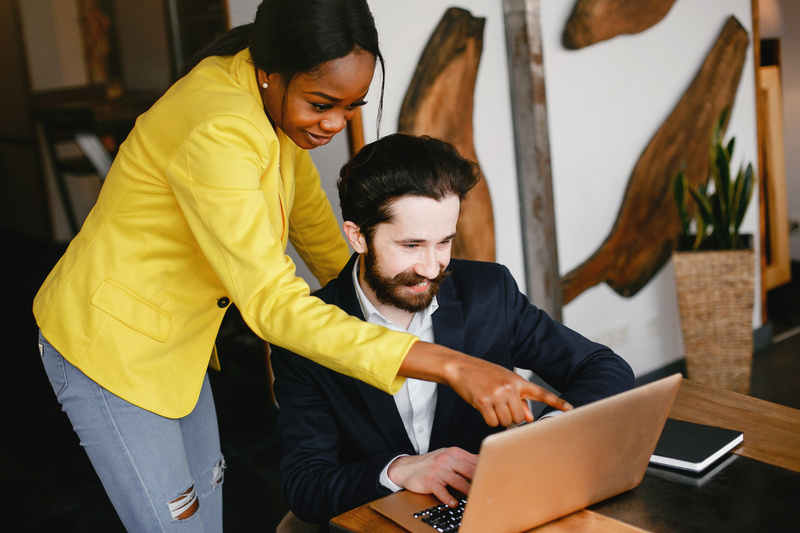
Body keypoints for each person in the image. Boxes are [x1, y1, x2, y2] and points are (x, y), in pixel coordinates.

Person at [33, 2, 569, 531]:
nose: (334, 123)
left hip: (177, 342)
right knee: (175, 524)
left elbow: (312, 220)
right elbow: (272, 305)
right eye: (321, 103)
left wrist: (388, 294)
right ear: (271, 75)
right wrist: (448, 362)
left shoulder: (267, 97)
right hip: (111, 346)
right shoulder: (219, 127)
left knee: (204, 510)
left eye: (352, 106)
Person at [270, 133, 636, 526]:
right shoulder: (305, 332)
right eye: (411, 246)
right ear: (357, 236)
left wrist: (541, 439)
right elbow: (307, 487)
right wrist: (400, 470)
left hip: (493, 512)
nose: (432, 268)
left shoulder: (488, 291)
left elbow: (603, 367)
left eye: (444, 242)